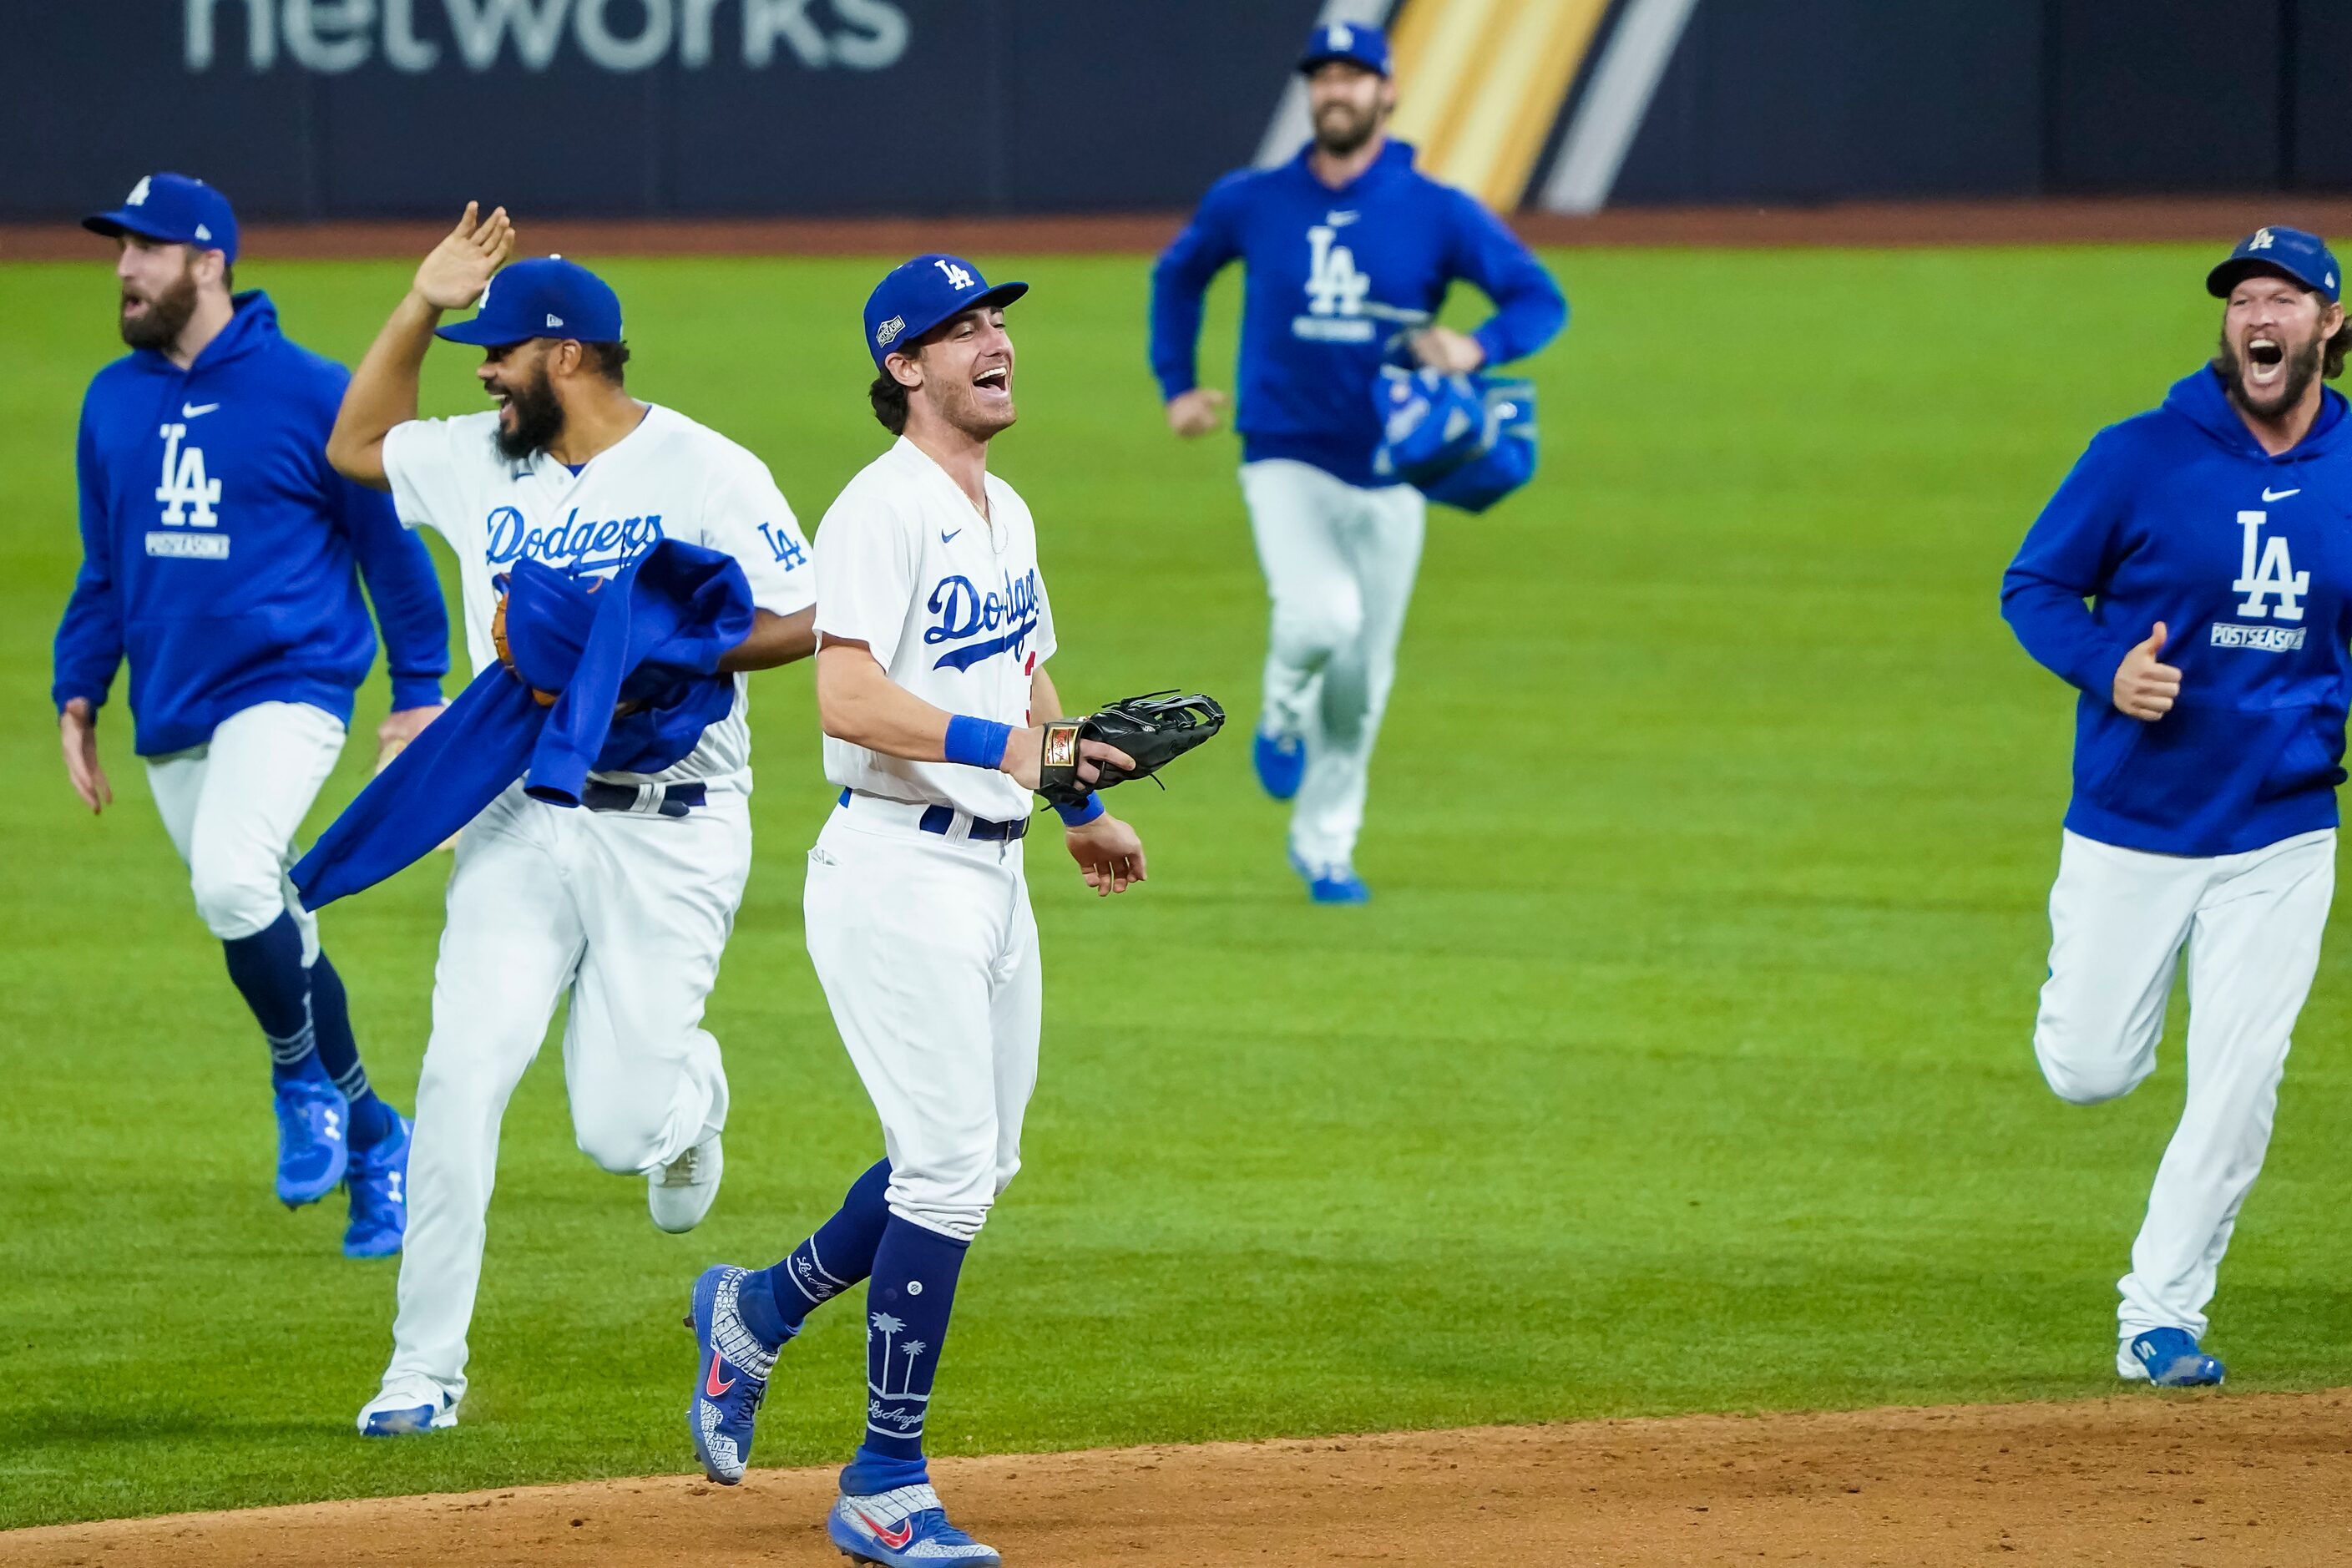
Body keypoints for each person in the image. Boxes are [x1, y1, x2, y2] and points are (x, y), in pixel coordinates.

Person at [683, 254, 1146, 1568]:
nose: (996, 340)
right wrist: (1004, 750)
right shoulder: (877, 511)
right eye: (962, 328)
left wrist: (1073, 805)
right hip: (894, 870)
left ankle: (757, 1311)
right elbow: (846, 699)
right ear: (904, 368)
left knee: (975, 1162)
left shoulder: (1005, 511)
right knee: (945, 1166)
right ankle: (885, 1476)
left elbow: (1027, 671)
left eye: (998, 321)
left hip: (991, 874)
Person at [322, 205, 817, 1434]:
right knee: (458, 1075)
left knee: (613, 1126)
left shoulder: (708, 469)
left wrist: (649, 649)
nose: (481, 368)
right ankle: (421, 1367)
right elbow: (358, 442)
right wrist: (421, 299)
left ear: (569, 356)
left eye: (497, 348)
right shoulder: (483, 455)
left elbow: (807, 613)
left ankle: (687, 1099)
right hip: (515, 812)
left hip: (672, 821)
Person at [53, 172, 449, 1258]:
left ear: (210, 262)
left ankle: (297, 1081)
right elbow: (105, 565)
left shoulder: (314, 393)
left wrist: (419, 694)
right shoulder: (111, 400)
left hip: (294, 685)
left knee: (232, 878)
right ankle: (374, 1127)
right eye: (119, 249)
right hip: (174, 704)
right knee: (268, 915)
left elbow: (392, 556)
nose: (126, 269)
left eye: (148, 249)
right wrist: (78, 686)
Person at [2001, 225, 2352, 1388]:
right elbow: (2036, 583)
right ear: (2228, 325)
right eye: (2245, 296)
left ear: (2328, 328)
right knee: (2090, 1068)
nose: (2261, 313)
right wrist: (2108, 667)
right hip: (2136, 815)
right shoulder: (2140, 455)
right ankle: (2087, 1025)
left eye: (2286, 298)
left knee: (2241, 1076)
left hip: (2284, 824)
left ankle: (2160, 1313)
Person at [1149, 19, 1566, 902]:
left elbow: (1540, 298)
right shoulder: (1252, 199)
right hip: (1284, 452)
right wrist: (1178, 384)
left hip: (1393, 468)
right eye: (1323, 78)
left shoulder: (1436, 210)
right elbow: (1179, 275)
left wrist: (1477, 345)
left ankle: (1327, 846)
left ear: (1388, 94)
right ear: (1312, 93)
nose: (1336, 91)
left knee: (1364, 684)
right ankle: (1278, 713)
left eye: (1355, 77)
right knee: (1318, 618)